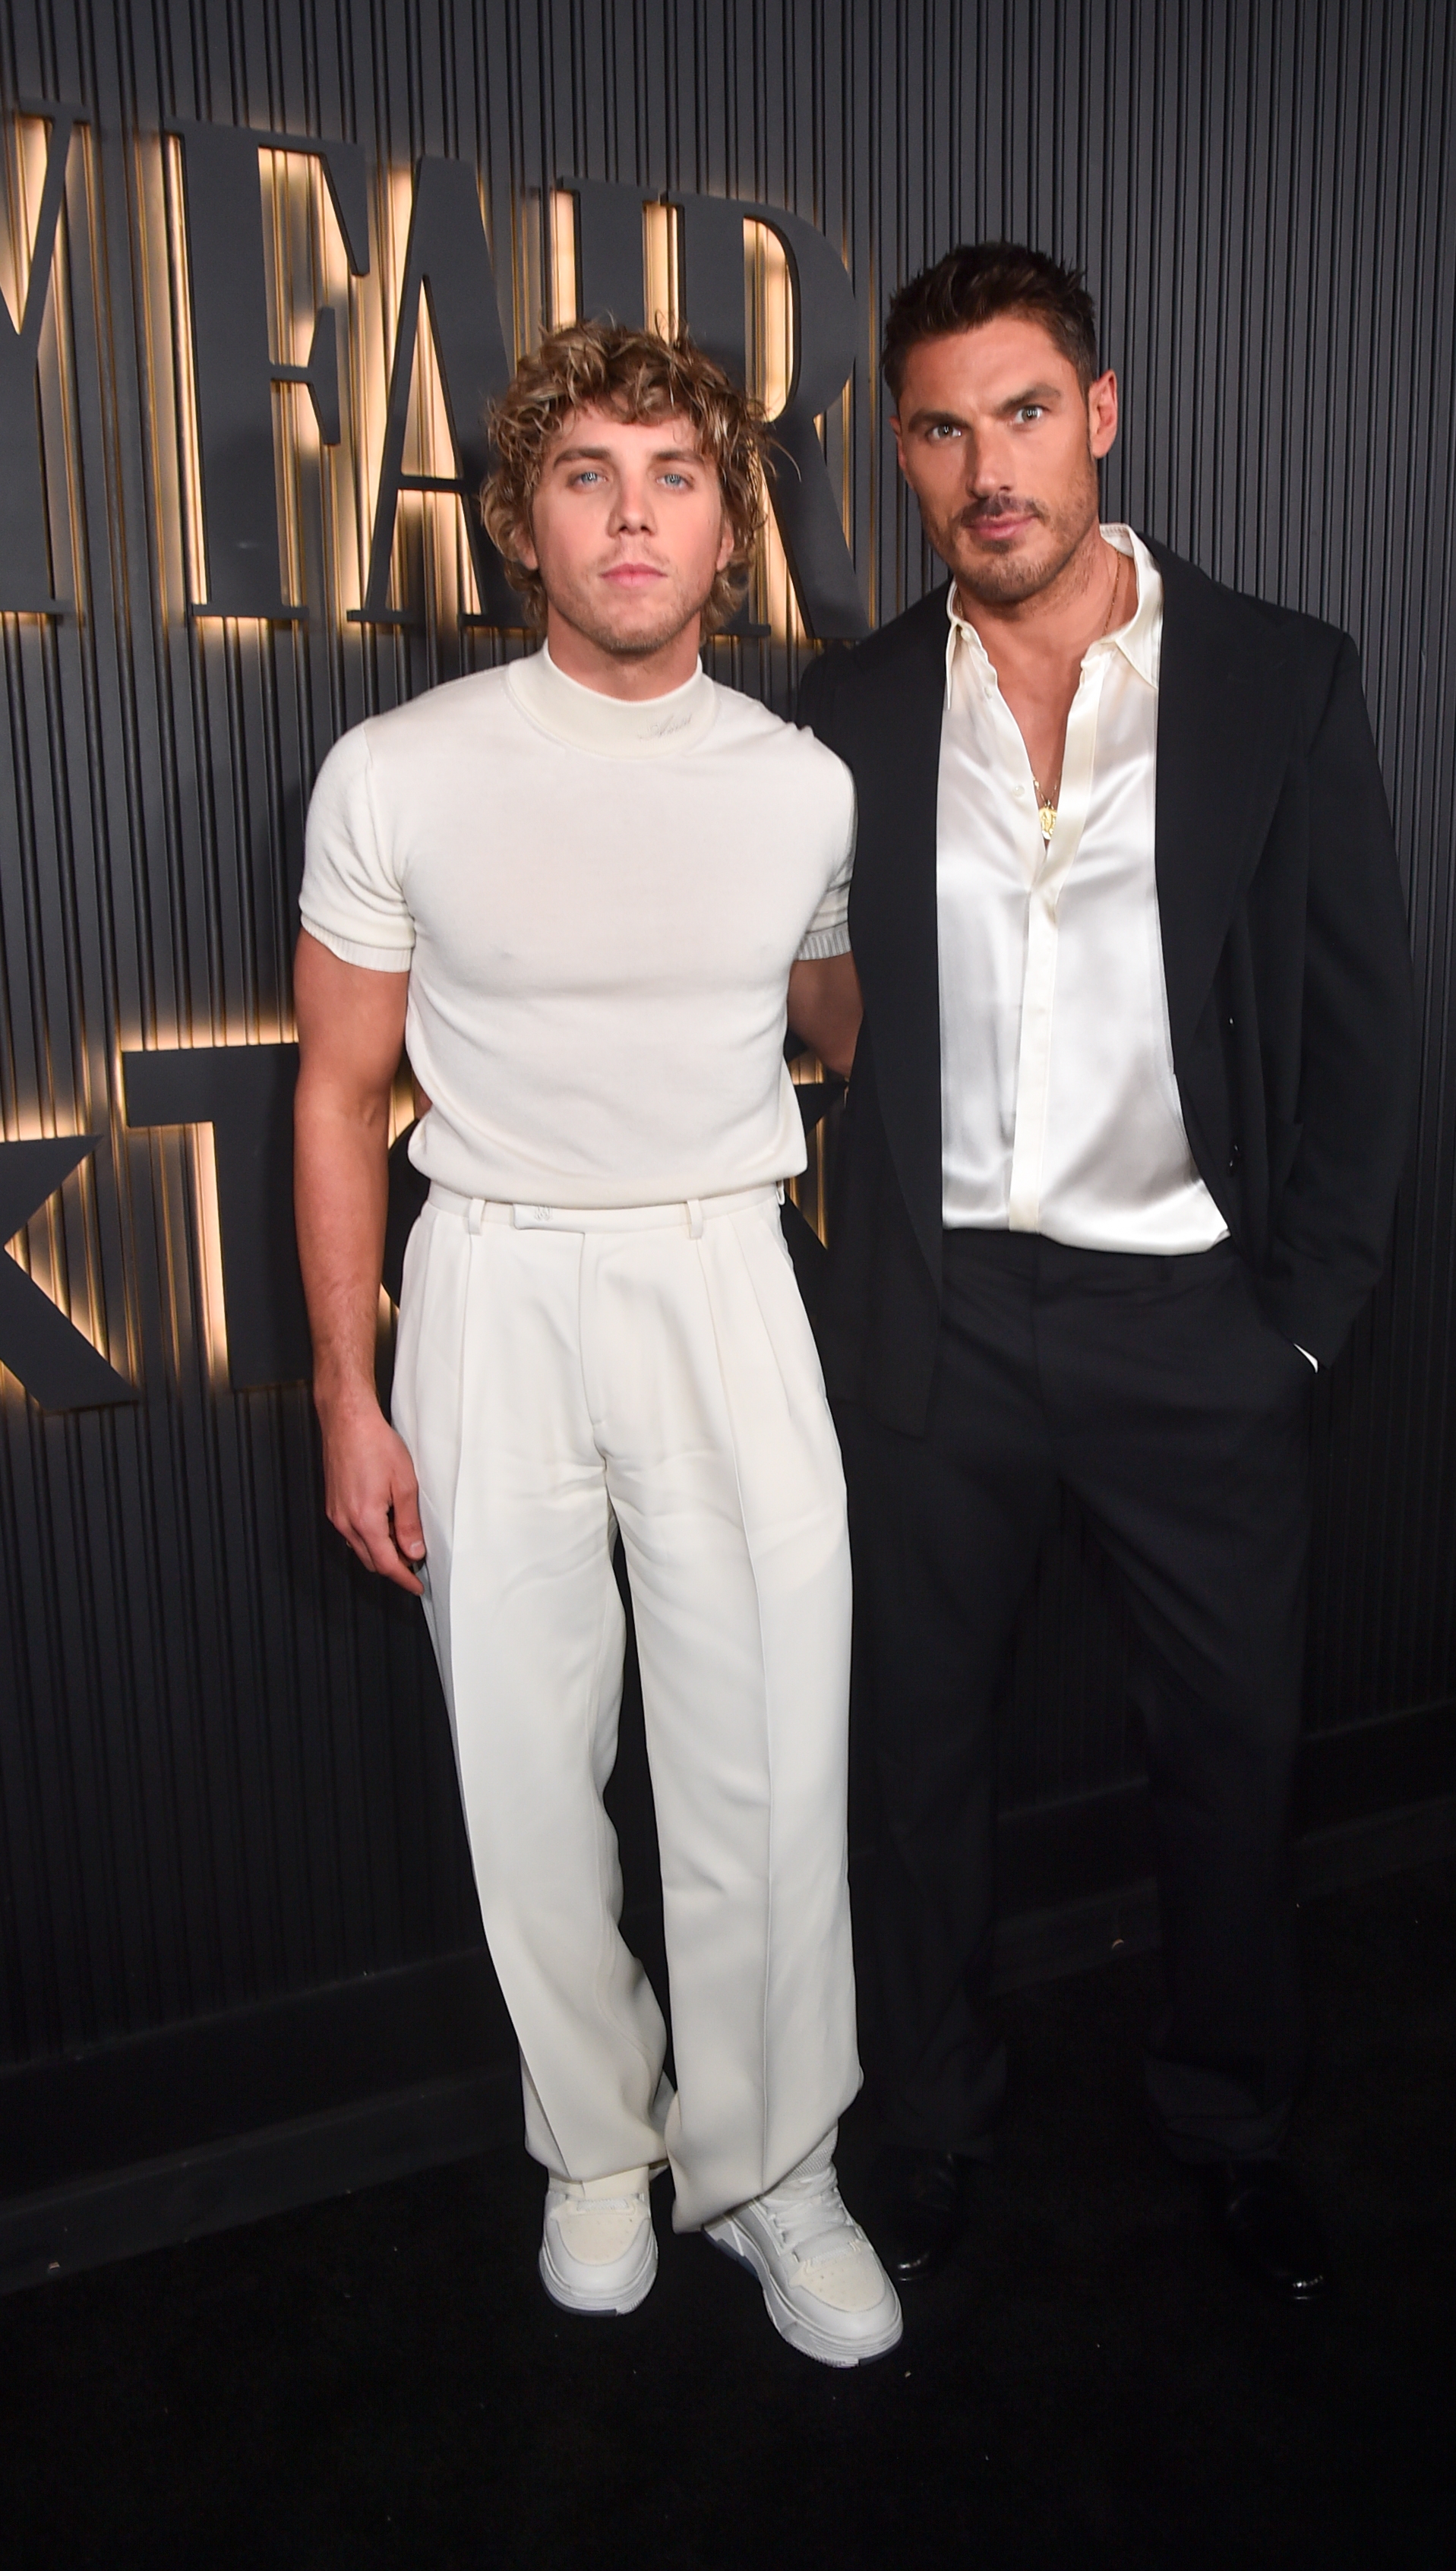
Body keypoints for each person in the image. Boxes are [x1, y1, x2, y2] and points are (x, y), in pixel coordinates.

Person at [797, 243, 1416, 2302]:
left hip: (1192, 1325)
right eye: (944, 428)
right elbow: (801, 998)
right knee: (914, 1771)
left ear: (1102, 412)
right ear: (904, 454)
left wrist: (1294, 1324)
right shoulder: (854, 709)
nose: (990, 467)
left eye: (1025, 412)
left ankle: (1231, 2122)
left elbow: (1360, 1034)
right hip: (943, 1325)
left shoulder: (1279, 674)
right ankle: (931, 2125)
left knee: (1229, 1761)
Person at [292, 321, 899, 2368]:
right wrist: (346, 1387)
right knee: (524, 1764)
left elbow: (843, 1028)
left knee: (764, 1748)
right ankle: (597, 2144)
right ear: (523, 525)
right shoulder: (398, 770)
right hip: (493, 1279)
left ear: (725, 526)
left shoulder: (806, 781)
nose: (632, 511)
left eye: (672, 472)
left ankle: (771, 2161)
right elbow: (332, 1087)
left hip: (725, 1266)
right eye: (588, 475)